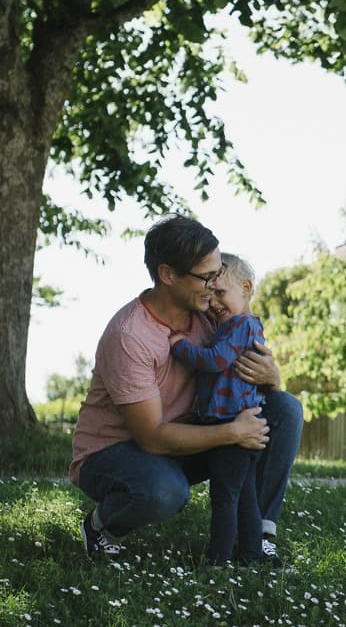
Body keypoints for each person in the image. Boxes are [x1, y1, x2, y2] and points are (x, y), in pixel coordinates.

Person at [70, 215, 303, 565]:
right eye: (206, 277)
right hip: (117, 452)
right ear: (167, 275)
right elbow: (151, 438)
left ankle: (258, 535)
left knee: (284, 408)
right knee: (164, 491)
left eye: (217, 274)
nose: (214, 285)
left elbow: (247, 375)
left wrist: (271, 377)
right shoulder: (130, 335)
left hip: (193, 430)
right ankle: (101, 526)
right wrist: (232, 433)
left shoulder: (210, 314)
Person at [168, 253, 272, 567]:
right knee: (245, 497)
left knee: (225, 497)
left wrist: (180, 346)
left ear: (246, 288)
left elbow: (215, 360)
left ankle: (218, 561)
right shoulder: (245, 325)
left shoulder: (240, 325)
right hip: (242, 423)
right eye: (210, 292)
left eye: (221, 292)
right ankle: (252, 555)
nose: (213, 301)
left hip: (233, 423)